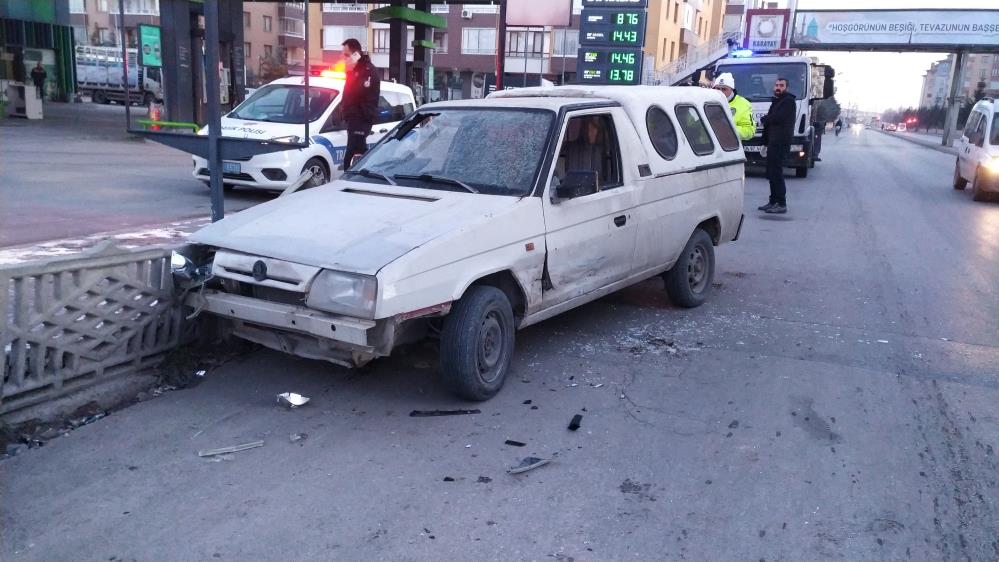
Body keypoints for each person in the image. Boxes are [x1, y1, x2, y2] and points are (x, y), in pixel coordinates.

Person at [336, 38, 380, 170]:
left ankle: (352, 180)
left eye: (346, 55)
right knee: (354, 153)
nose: (345, 59)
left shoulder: (367, 71)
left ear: (356, 54)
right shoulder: (356, 71)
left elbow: (358, 92)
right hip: (353, 119)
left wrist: (350, 73)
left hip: (361, 118)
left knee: (354, 153)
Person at [759, 77, 796, 214]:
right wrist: (764, 142)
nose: (778, 87)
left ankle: (781, 203)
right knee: (771, 173)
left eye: (781, 85)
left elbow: (778, 118)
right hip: (772, 143)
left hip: (780, 143)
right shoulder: (777, 101)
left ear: (786, 87)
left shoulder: (788, 101)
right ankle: (773, 201)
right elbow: (769, 125)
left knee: (776, 174)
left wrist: (764, 119)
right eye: (777, 85)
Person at [711, 72, 754, 141]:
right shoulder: (708, 102)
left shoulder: (743, 104)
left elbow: (749, 131)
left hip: (731, 147)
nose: (720, 92)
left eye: (724, 89)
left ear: (731, 89)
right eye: (717, 89)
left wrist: (728, 130)